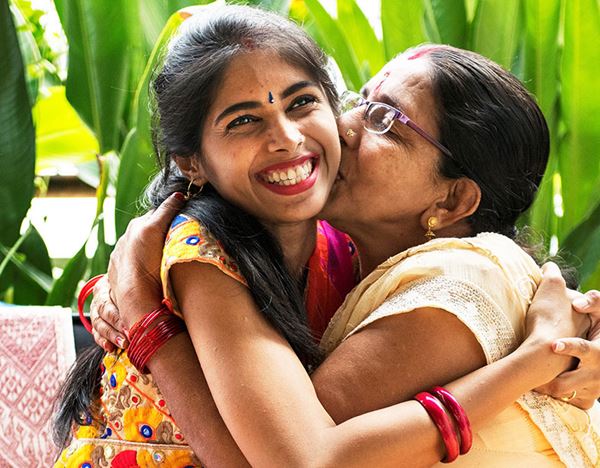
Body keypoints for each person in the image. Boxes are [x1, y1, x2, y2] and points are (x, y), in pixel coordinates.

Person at [60, 5, 600, 467]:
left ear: (454, 201)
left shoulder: (403, 265)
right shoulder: (209, 251)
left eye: (386, 119)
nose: (339, 128)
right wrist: (133, 301)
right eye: (361, 101)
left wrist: (568, 349)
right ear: (192, 161)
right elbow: (301, 459)